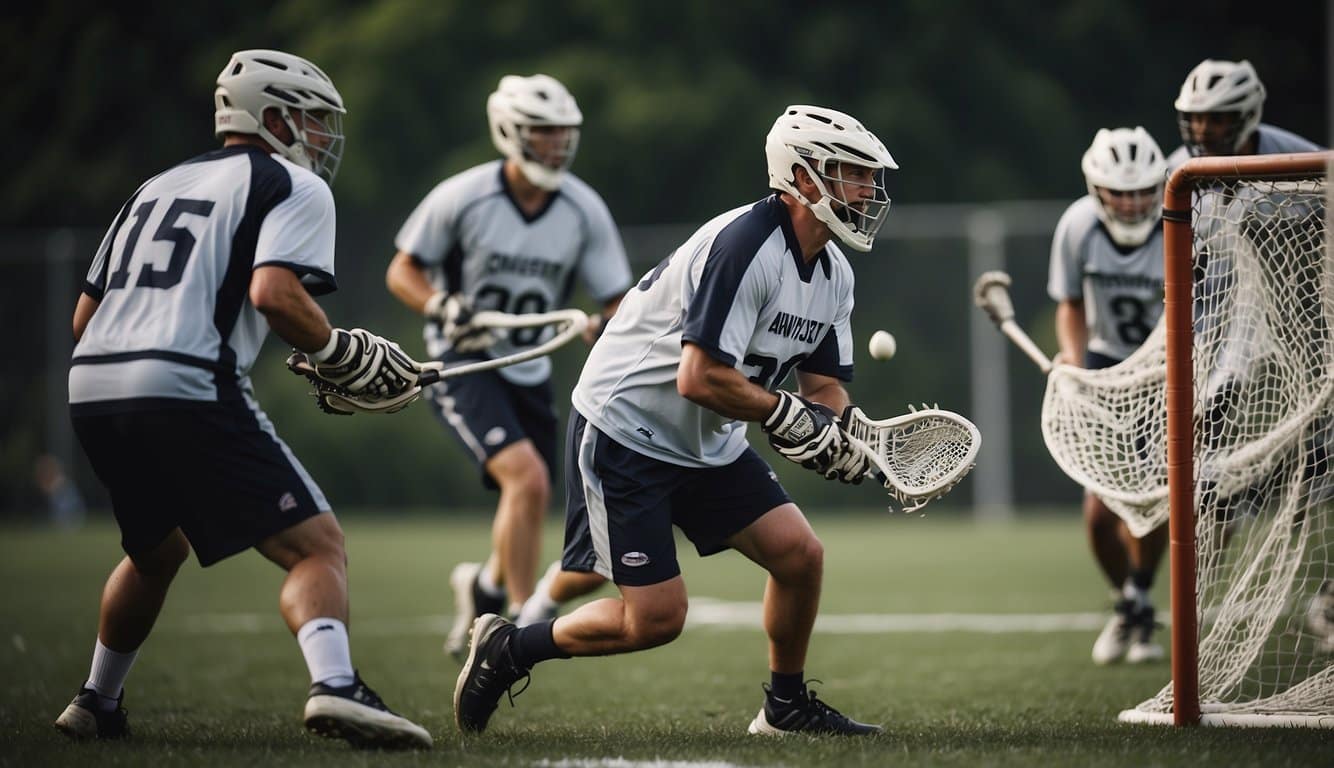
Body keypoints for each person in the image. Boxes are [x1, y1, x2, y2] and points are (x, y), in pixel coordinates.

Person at [452, 104, 893, 737]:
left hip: (708, 439)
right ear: (801, 177)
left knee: (800, 556)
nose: (869, 191)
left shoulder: (834, 273)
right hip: (628, 429)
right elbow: (700, 376)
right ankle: (509, 649)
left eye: (871, 178)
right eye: (852, 174)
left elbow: (821, 387)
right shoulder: (745, 245)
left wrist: (845, 436)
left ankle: (786, 707)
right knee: (657, 619)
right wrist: (786, 417)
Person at [53, 49, 432, 749]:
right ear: (275, 115)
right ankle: (336, 686)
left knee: (156, 553)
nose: (321, 136)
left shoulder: (157, 183)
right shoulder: (292, 184)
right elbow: (273, 294)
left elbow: (84, 318)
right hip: (183, 382)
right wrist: (337, 352)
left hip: (94, 386)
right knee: (317, 547)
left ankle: (96, 701)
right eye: (314, 120)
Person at [385, 73, 630, 658]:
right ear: (510, 132)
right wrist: (441, 304)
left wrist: (608, 328)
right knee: (527, 480)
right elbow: (402, 271)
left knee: (527, 494)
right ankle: (518, 619)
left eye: (561, 134)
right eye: (542, 133)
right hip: (462, 359)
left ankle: (484, 585)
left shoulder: (581, 207)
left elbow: (617, 298)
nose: (555, 146)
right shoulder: (464, 195)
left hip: (529, 362)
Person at [1048, 126, 1170, 665]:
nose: (1131, 201)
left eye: (1142, 189)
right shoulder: (1078, 225)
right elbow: (1071, 302)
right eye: (1119, 191)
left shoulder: (1178, 222)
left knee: (1152, 497)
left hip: (1168, 368)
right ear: (1097, 190)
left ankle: (1140, 598)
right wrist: (1073, 360)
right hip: (1105, 364)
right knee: (1100, 514)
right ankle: (1130, 602)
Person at [1167, 58, 1322, 170]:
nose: (1203, 130)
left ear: (1247, 116)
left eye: (1217, 119)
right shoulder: (1175, 170)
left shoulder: (1297, 158)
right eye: (1197, 118)